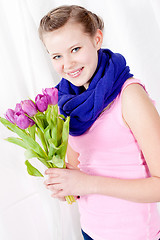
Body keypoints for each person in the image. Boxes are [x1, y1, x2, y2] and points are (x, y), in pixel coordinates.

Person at [38, 5, 160, 240]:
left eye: (75, 49)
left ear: (97, 39)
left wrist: (86, 184)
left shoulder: (130, 96)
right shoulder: (68, 103)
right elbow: (76, 171)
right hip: (91, 231)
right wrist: (64, 185)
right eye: (57, 56)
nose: (68, 64)